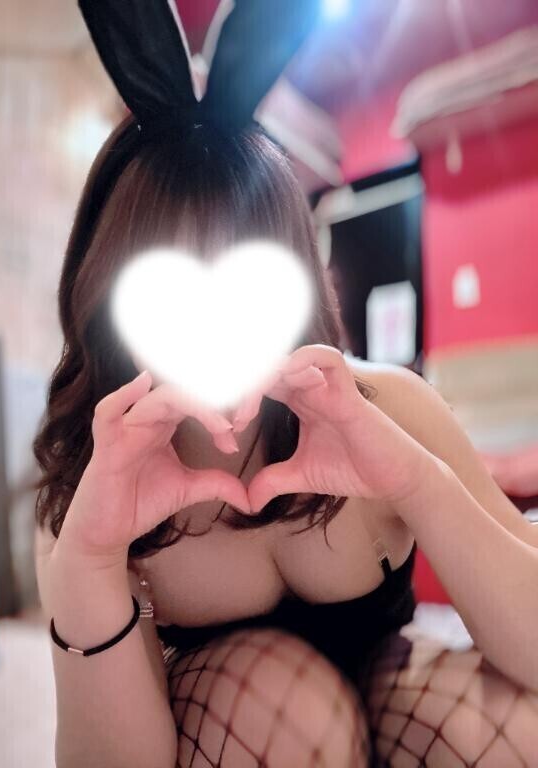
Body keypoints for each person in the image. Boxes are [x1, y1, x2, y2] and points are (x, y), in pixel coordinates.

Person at [32, 1, 538, 766]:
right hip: (228, 730)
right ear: (109, 299)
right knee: (283, 712)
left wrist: (418, 482)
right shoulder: (90, 477)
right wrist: (93, 562)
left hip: (389, 691)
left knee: (505, 732)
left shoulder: (382, 407)